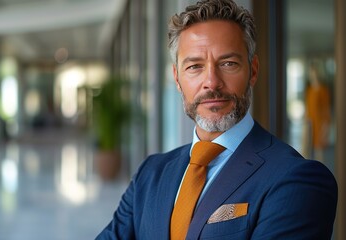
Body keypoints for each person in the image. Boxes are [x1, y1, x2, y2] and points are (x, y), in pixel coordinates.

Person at [97, 0, 338, 239]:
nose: (212, 82)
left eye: (228, 63)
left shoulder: (296, 179)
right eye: (194, 67)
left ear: (253, 70)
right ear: (177, 78)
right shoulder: (149, 175)